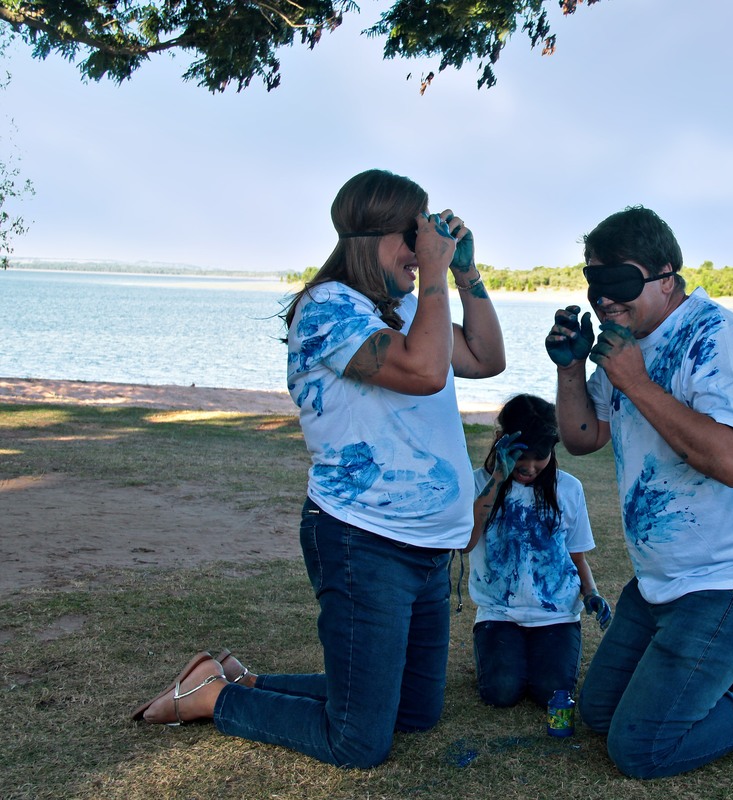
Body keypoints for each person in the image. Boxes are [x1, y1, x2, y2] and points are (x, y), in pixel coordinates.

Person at [130, 168, 506, 769]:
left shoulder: (409, 307)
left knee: (416, 713)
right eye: (415, 234)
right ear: (376, 234)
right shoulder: (327, 308)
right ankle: (212, 699)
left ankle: (241, 681)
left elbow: (487, 359)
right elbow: (424, 372)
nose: (420, 250)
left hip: (428, 545)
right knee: (359, 741)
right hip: (365, 541)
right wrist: (433, 275)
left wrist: (463, 271)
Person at [543, 206, 733, 779]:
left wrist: (635, 381)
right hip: (661, 581)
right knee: (598, 713)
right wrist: (570, 369)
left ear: (666, 276)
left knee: (641, 749)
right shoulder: (625, 342)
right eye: (593, 282)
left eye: (619, 282)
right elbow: (583, 438)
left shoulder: (719, 337)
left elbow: (732, 461)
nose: (603, 299)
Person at [462, 393, 611, 708]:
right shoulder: (477, 483)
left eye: (539, 457)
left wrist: (592, 593)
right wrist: (498, 480)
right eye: (521, 457)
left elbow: (576, 554)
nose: (529, 468)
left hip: (556, 614)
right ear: (501, 441)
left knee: (551, 693)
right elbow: (466, 542)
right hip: (499, 613)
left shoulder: (568, 488)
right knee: (501, 693)